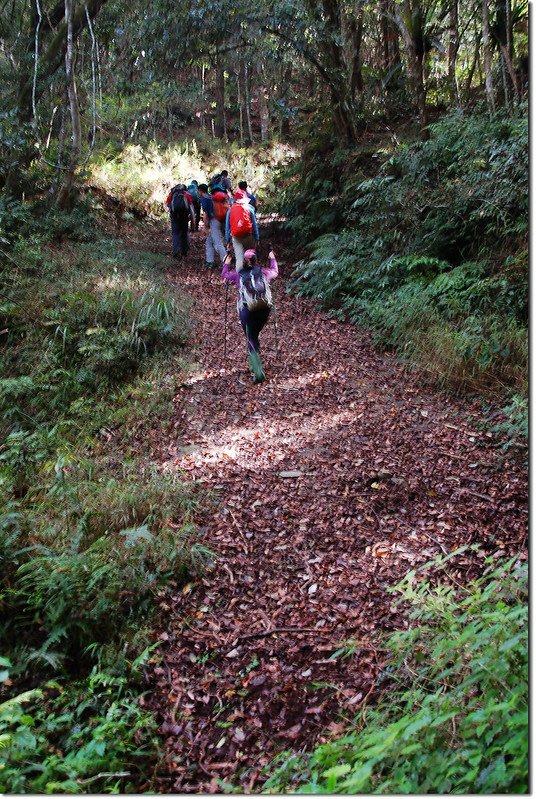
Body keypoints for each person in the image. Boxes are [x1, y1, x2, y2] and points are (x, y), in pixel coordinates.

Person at [222, 247, 278, 383]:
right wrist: (272, 258)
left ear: (242, 262)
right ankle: (254, 363)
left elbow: (225, 276)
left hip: (247, 311)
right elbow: (275, 272)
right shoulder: (263, 272)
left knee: (251, 336)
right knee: (254, 334)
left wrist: (226, 263)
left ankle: (257, 372)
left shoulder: (238, 275)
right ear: (255, 260)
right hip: (264, 309)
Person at [225, 189, 259, 271]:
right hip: (248, 236)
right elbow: (254, 225)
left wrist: (228, 241)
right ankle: (255, 275)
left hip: (236, 237)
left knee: (239, 258)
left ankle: (240, 280)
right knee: (251, 255)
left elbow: (227, 227)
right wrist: (257, 238)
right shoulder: (250, 208)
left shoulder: (230, 210)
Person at [198, 183, 227, 269]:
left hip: (214, 221)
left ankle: (225, 262)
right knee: (209, 242)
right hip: (220, 220)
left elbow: (206, 213)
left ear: (200, 190)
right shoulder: (211, 197)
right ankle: (210, 261)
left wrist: (204, 226)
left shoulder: (204, 198)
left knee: (218, 243)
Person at [165, 183, 195, 259]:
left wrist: (172, 212)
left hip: (174, 216)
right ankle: (184, 251)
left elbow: (167, 205)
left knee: (175, 233)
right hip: (184, 216)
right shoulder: (187, 194)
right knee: (184, 233)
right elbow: (191, 209)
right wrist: (192, 221)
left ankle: (175, 251)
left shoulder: (172, 194)